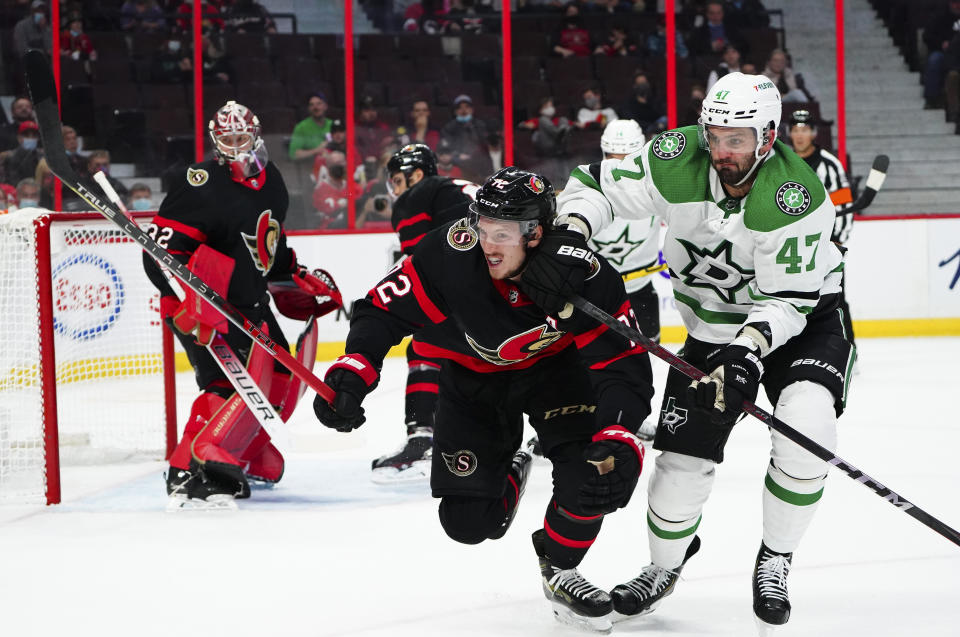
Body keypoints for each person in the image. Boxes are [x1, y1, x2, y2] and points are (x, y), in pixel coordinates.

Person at [520, 72, 852, 631]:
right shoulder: (677, 158)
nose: (723, 152)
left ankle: (776, 558)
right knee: (678, 470)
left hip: (801, 323)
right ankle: (664, 568)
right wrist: (571, 235)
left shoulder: (792, 196)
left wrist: (749, 352)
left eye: (738, 140)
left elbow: (789, 301)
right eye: (715, 135)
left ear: (768, 138)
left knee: (808, 429)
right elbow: (593, 184)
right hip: (714, 332)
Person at [313, 166, 654, 632]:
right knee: (469, 525)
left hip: (558, 377)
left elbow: (623, 363)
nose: (487, 244)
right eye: (482, 228)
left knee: (591, 480)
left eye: (503, 233)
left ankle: (558, 568)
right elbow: (381, 309)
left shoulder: (582, 272)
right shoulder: (453, 252)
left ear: (536, 233)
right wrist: (354, 371)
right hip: (475, 380)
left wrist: (619, 430)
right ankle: (513, 459)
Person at [143, 101, 338, 508]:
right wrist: (190, 302)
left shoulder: (272, 180)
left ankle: (244, 451)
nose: (235, 146)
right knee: (224, 385)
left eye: (241, 137)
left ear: (256, 135)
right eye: (226, 140)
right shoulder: (201, 183)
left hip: (249, 302)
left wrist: (296, 275)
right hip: (201, 306)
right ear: (216, 142)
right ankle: (188, 469)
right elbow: (157, 255)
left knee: (281, 380)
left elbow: (271, 243)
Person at [365, 143, 479, 483]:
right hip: (500, 283)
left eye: (398, 180)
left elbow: (420, 261)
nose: (396, 190)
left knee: (425, 347)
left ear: (416, 175)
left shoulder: (419, 194)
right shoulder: (455, 188)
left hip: (464, 281)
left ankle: (422, 442)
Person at [586, 119, 660, 440]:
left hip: (640, 291)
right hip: (596, 291)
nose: (617, 165)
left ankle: (632, 415)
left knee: (639, 364)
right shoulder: (587, 186)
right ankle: (579, 413)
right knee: (586, 359)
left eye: (625, 157)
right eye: (611, 157)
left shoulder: (658, 187)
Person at [787, 109, 855, 345]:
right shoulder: (781, 162)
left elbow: (844, 202)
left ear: (813, 133)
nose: (800, 135)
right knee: (791, 299)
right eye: (795, 130)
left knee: (834, 298)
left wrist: (839, 240)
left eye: (804, 129)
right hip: (791, 246)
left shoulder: (829, 164)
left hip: (826, 244)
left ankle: (846, 348)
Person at [439, 94, 488, 180]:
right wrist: (457, 155)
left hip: (479, 164)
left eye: (466, 107)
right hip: (457, 164)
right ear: (455, 111)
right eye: (460, 108)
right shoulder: (449, 127)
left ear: (472, 110)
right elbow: (445, 150)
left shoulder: (480, 126)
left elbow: (485, 147)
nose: (464, 110)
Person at [289, 93, 332, 162]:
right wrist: (318, 150)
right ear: (308, 108)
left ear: (325, 106)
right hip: (309, 166)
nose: (315, 107)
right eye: (312, 105)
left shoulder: (332, 125)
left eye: (319, 104)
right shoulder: (301, 127)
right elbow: (293, 154)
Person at [1, 120, 43, 186]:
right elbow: (12, 182)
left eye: (34, 135)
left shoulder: (43, 156)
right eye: (26, 135)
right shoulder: (10, 157)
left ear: (38, 138)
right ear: (19, 138)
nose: (31, 138)